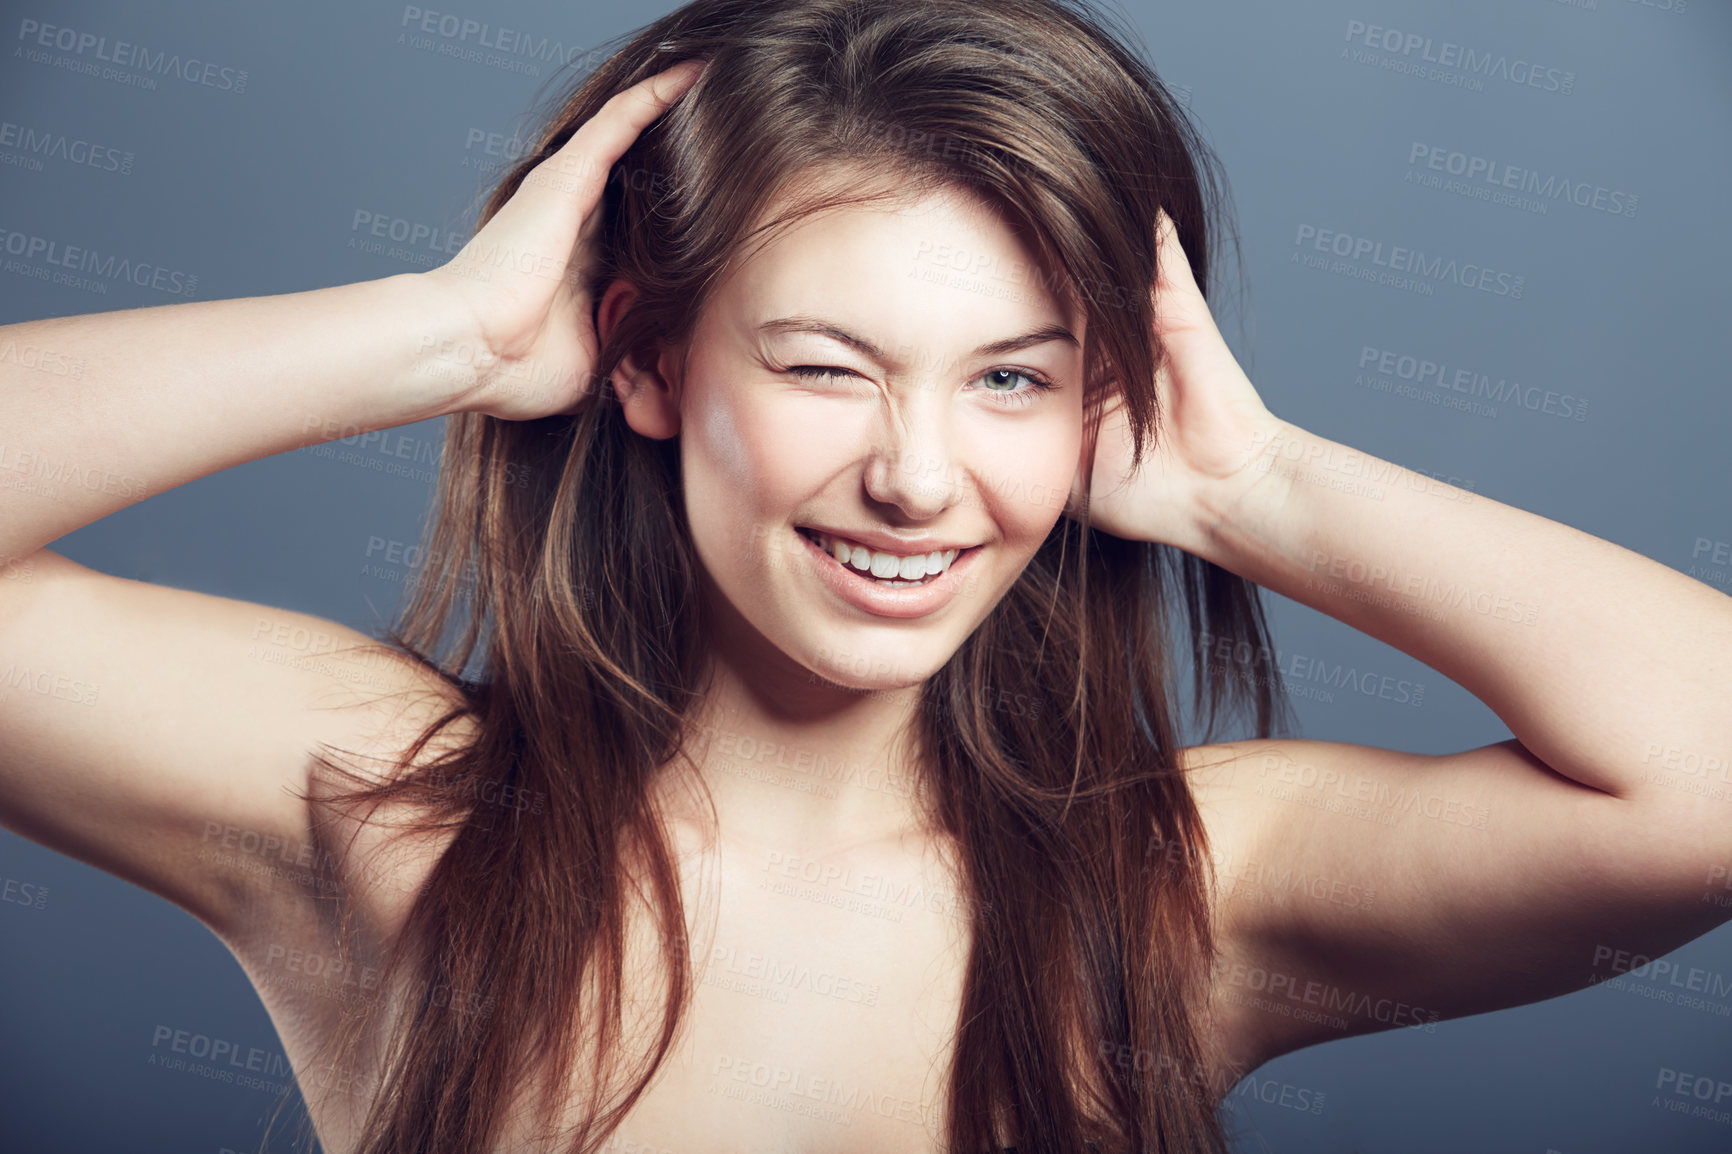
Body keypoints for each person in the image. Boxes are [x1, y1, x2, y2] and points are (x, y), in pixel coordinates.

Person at [1, 1, 1727, 1151]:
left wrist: (1252, 482)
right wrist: (441, 332)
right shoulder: (393, 813)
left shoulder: (1178, 890)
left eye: (1011, 378)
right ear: (652, 362)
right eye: (827, 365)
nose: (915, 474)